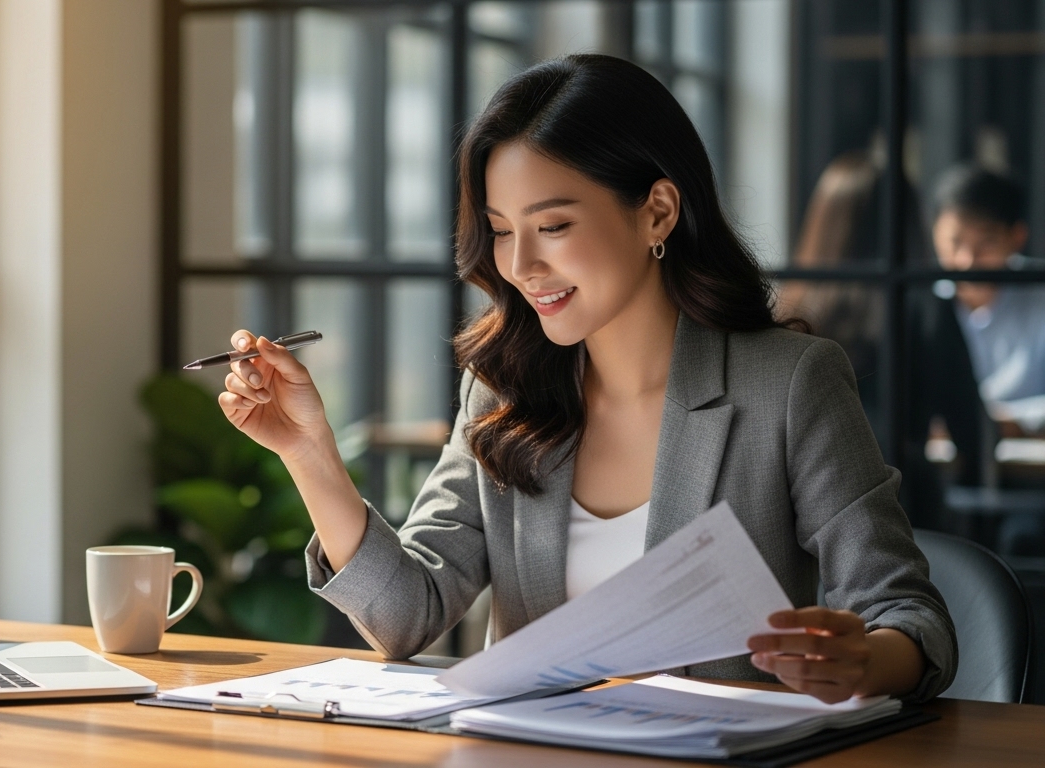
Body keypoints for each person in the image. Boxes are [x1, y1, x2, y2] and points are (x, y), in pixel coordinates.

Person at [217, 55, 955, 704]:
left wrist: (862, 660)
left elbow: (907, 615)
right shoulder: (503, 389)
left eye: (554, 226)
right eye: (501, 230)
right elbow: (406, 616)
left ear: (657, 213)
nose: (521, 265)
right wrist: (307, 451)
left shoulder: (787, 384)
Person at [784, 152, 990, 529]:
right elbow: (973, 433)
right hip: (902, 509)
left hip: (798, 509)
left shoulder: (789, 315)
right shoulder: (926, 311)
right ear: (909, 226)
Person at [932, 166, 1045, 436]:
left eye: (986, 243)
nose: (967, 261)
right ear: (935, 233)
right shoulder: (920, 300)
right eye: (955, 242)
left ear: (1017, 237)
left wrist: (1012, 423)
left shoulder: (1039, 292)